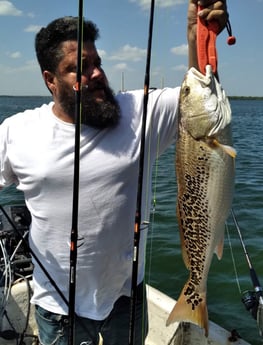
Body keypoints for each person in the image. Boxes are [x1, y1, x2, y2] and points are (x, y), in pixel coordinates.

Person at [0, 1, 228, 344]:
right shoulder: (16, 132)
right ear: (50, 80)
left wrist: (198, 33)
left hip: (127, 300)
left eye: (98, 63)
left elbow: (200, 96)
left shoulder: (139, 113)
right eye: (80, 67)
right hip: (56, 306)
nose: (95, 73)